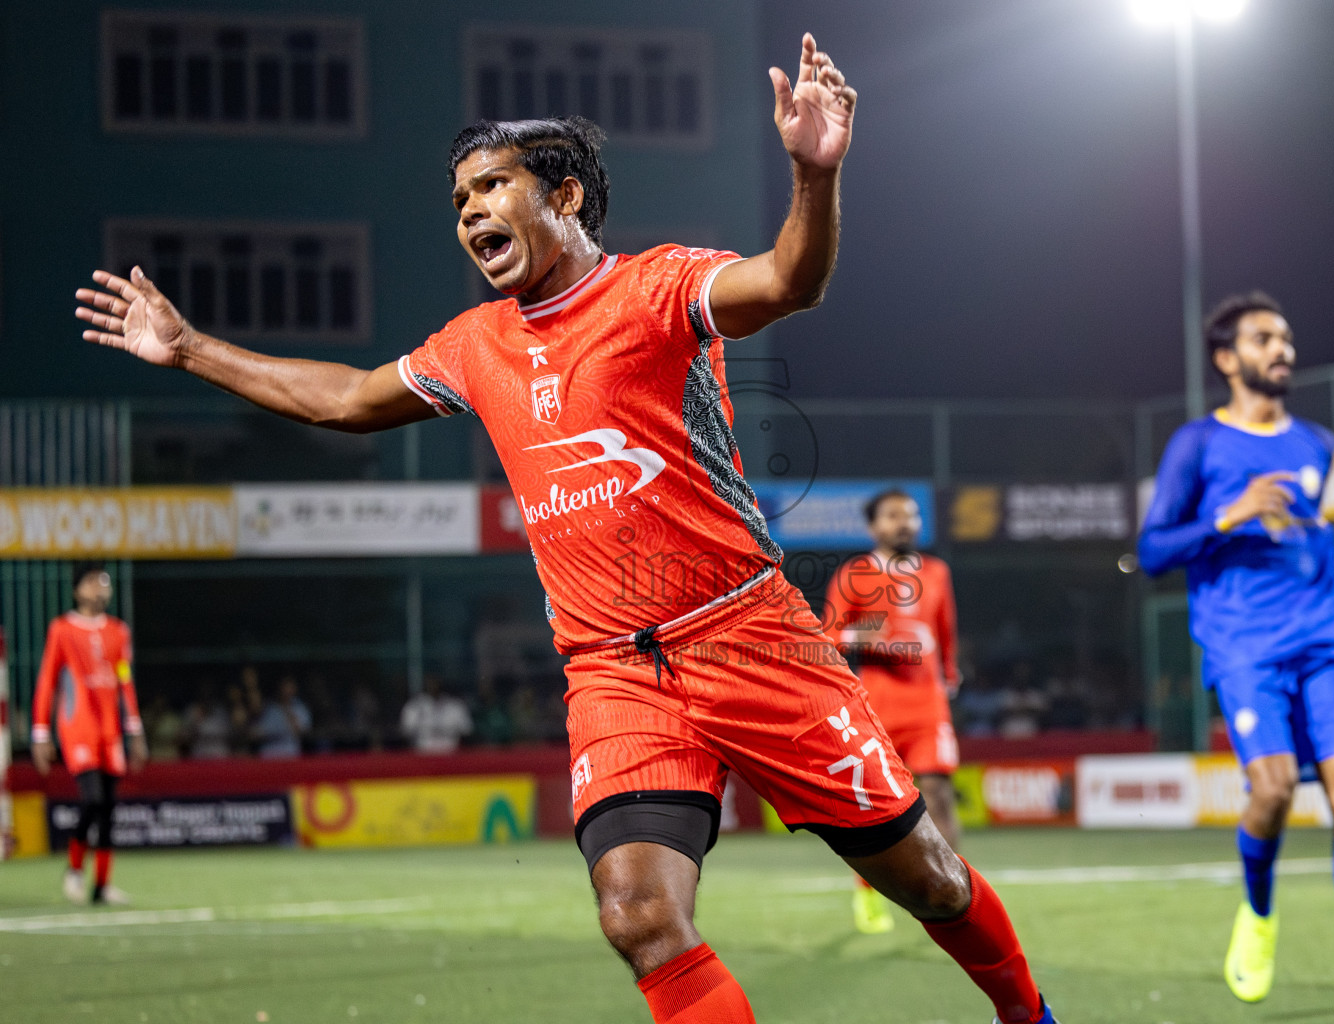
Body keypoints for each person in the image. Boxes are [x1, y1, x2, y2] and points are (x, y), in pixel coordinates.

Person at [73, 34, 1057, 1024]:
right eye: (458, 200)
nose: (468, 213)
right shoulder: (473, 344)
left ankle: (1028, 1014)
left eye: (492, 187)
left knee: (929, 878)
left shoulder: (659, 290)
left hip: (751, 638)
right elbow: (346, 400)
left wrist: (813, 171)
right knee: (637, 915)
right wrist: (192, 346)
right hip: (615, 673)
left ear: (567, 197)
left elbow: (788, 281)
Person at [1137, 292, 1334, 1023]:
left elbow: (1307, 530)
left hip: (1325, 638)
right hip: (1243, 647)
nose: (1283, 349)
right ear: (1227, 359)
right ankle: (1258, 914)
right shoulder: (1197, 445)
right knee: (1269, 790)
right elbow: (1149, 552)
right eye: (1265, 338)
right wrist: (1226, 516)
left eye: (1288, 337)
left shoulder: (1319, 443)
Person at [825, 488, 962, 934]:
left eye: (912, 515)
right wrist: (867, 640)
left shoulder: (938, 572)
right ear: (874, 527)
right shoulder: (855, 574)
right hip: (876, 704)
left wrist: (950, 675)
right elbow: (830, 635)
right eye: (893, 516)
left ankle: (956, 889)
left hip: (927, 704)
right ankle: (867, 894)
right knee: (876, 806)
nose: (904, 523)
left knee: (939, 792)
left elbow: (946, 633)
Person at [30, 564, 145, 905]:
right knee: (92, 799)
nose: (100, 588)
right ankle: (75, 869)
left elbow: (124, 681)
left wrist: (135, 730)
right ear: (78, 590)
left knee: (109, 807)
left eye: (104, 582)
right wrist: (40, 733)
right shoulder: (63, 629)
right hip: (78, 727)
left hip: (110, 732)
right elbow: (48, 680)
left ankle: (102, 886)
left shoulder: (118, 632)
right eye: (92, 582)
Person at [399, 676, 473, 754]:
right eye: (430, 683)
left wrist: (446, 729)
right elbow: (406, 730)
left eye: (436, 682)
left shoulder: (455, 705)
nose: (433, 686)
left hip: (450, 754)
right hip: (422, 754)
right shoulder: (414, 706)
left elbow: (467, 730)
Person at [249, 674, 312, 759]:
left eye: (290, 688)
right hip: (270, 753)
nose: (287, 691)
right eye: (285, 687)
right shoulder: (269, 708)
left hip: (291, 753)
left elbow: (304, 731)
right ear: (279, 688)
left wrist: (290, 716)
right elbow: (256, 732)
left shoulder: (299, 707)